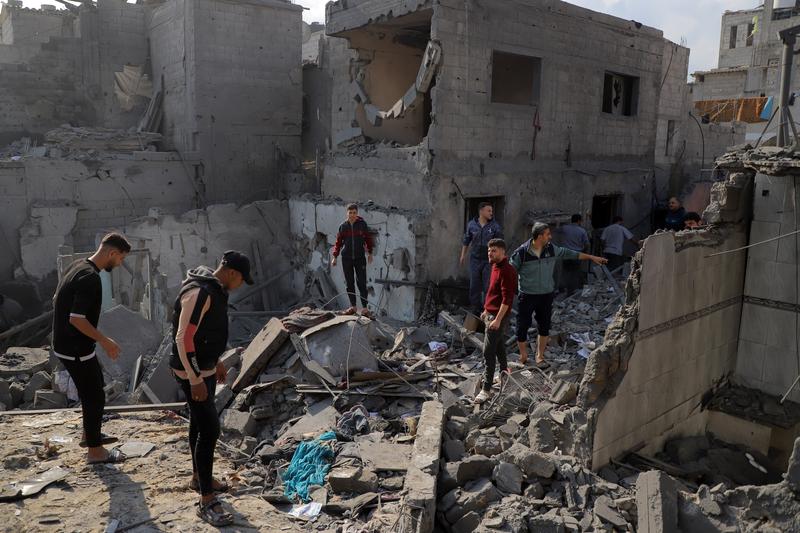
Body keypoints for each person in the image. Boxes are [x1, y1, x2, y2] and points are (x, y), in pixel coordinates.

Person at [170, 251, 253, 527]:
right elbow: (184, 338)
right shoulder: (200, 293)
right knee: (210, 430)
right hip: (190, 372)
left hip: (202, 368)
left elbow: (206, 332)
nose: (240, 285)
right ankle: (206, 500)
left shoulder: (214, 289)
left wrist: (215, 361)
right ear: (232, 273)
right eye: (241, 279)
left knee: (199, 422)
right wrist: (195, 378)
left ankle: (199, 478)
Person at [51, 233, 131, 464]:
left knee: (94, 387)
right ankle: (95, 452)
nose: (120, 263)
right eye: (121, 258)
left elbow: (56, 298)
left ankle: (90, 435)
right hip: (75, 346)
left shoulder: (77, 266)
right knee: (94, 394)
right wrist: (105, 341)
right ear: (112, 253)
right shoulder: (90, 278)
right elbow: (77, 319)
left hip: (66, 343)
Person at [511, 223, 607, 368]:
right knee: (522, 326)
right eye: (547, 234)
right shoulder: (522, 253)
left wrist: (591, 257)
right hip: (527, 295)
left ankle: (539, 356)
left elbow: (570, 253)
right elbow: (510, 271)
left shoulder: (551, 249)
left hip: (546, 295)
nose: (550, 237)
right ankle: (523, 356)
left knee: (544, 326)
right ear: (539, 236)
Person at [474, 239, 517, 404]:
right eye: (489, 250)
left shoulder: (507, 270)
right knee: (498, 347)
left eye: (494, 251)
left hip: (497, 318)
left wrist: (498, 320)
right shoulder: (495, 267)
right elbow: (493, 293)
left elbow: (507, 299)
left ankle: (486, 389)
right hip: (490, 315)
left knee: (488, 353)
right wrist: (486, 310)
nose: (490, 253)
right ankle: (504, 374)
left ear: (503, 252)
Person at [460, 202, 503, 315]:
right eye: (489, 211)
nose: (491, 213)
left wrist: (499, 258)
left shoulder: (495, 226)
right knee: (474, 285)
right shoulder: (471, 225)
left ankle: (488, 309)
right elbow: (466, 240)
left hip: (489, 261)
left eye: (491, 211)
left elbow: (500, 243)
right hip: (475, 259)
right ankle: (475, 308)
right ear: (481, 211)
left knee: (488, 286)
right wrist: (463, 255)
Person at [331, 204, 374, 316]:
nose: (352, 215)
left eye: (354, 213)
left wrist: (370, 253)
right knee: (349, 283)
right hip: (347, 259)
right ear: (347, 213)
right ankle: (353, 307)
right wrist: (335, 257)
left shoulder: (362, 225)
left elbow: (368, 239)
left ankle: (365, 309)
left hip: (360, 258)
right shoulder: (343, 226)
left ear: (357, 213)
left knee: (362, 282)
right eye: (350, 213)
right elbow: (338, 243)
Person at [559, 214, 591, 296]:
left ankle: (562, 289)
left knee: (565, 272)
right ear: (579, 221)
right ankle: (570, 292)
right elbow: (587, 244)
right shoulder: (582, 231)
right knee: (574, 274)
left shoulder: (564, 228)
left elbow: (556, 230)